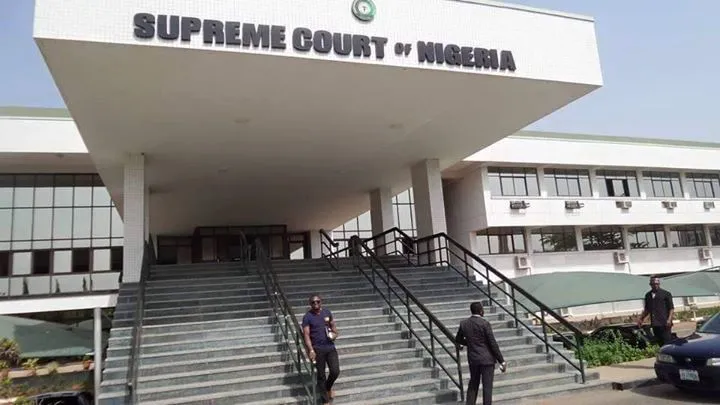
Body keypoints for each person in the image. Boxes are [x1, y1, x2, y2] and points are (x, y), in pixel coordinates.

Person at [456, 302, 506, 405]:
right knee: (487, 387)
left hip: (473, 359)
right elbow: (492, 343)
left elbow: (458, 339)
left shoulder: (464, 323)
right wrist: (501, 360)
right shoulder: (485, 324)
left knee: (473, 385)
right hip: (487, 360)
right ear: (481, 311)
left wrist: (469, 343)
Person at [302, 294, 340, 405]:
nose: (316, 304)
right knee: (321, 375)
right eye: (313, 302)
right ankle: (325, 401)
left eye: (318, 301)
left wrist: (335, 334)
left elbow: (333, 327)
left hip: (330, 347)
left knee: (335, 371)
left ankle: (327, 388)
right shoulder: (307, 317)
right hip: (318, 349)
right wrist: (310, 350)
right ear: (310, 304)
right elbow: (306, 335)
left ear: (321, 302)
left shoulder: (327, 312)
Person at [637, 276, 675, 346]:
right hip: (655, 324)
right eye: (653, 284)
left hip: (665, 323)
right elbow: (647, 309)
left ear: (659, 284)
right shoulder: (648, 295)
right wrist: (641, 319)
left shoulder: (666, 294)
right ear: (650, 284)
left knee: (667, 342)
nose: (655, 285)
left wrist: (669, 319)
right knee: (659, 343)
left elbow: (671, 308)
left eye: (657, 284)